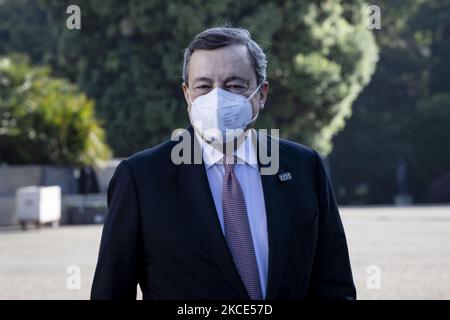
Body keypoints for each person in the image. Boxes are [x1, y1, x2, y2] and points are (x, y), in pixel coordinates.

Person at [91, 27, 356, 300]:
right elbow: (111, 290)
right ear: (187, 95)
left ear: (261, 93)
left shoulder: (304, 167)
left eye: (235, 85)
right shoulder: (141, 179)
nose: (217, 99)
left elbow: (334, 284)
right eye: (204, 86)